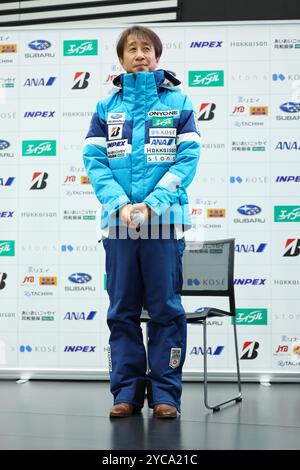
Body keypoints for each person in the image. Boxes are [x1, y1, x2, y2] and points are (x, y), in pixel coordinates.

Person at [83, 25, 200, 418]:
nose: (139, 54)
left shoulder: (180, 101)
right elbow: (94, 163)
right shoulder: (105, 108)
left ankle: (166, 395)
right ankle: (127, 393)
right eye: (131, 49)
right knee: (122, 312)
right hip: (118, 227)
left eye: (146, 48)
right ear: (121, 59)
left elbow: (187, 161)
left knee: (166, 310)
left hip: (164, 225)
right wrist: (119, 204)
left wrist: (153, 205)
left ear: (157, 56)